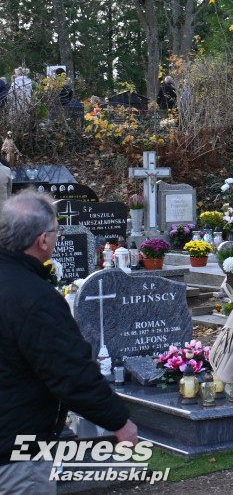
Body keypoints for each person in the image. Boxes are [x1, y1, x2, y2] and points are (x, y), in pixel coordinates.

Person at [0, 191, 138, 492]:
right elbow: (69, 371)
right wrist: (119, 421)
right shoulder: (35, 299)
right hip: (16, 453)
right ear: (42, 240)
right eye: (56, 232)